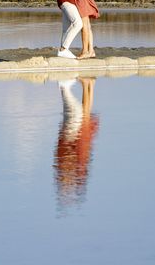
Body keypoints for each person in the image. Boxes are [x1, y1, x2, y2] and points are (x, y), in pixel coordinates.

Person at [54, 77, 99, 210]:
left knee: (80, 113)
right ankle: (88, 83)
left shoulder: (75, 162)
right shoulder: (78, 162)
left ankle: (88, 83)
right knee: (81, 115)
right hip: (73, 132)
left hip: (72, 131)